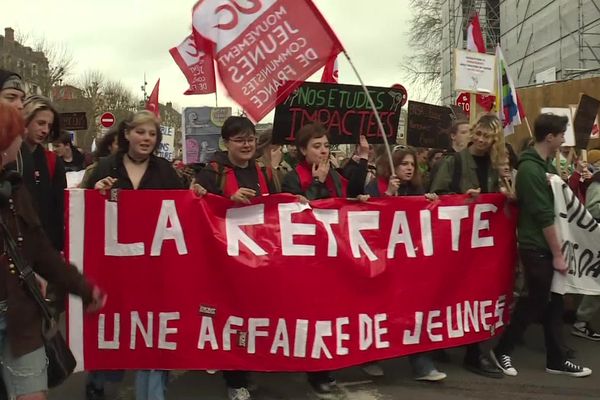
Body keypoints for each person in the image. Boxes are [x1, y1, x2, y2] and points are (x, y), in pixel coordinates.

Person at [0, 102, 106, 400]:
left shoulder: (13, 188)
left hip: (20, 316)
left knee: (33, 395)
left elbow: (40, 249)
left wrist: (83, 288)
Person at [85, 110, 184, 400]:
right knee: (112, 324)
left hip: (154, 267)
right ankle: (99, 381)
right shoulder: (104, 166)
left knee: (152, 332)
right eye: (141, 132)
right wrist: (96, 193)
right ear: (126, 134)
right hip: (114, 266)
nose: (147, 139)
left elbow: (182, 211)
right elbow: (83, 209)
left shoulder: (165, 171)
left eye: (152, 134)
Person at [491, 113, 592, 377]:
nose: (562, 140)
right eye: (560, 136)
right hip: (536, 245)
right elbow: (544, 215)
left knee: (555, 302)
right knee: (535, 301)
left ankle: (556, 359)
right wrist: (558, 254)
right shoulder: (531, 170)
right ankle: (502, 350)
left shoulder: (544, 166)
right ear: (550, 137)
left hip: (547, 245)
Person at [281, 122, 369, 398]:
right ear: (302, 150)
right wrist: (317, 182)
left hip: (335, 255)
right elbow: (300, 211)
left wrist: (363, 158)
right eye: (316, 146)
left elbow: (349, 192)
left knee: (333, 311)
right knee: (313, 313)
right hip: (308, 258)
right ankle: (316, 370)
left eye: (326, 146)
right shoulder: (293, 177)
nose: (322, 152)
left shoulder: (334, 173)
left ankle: (327, 363)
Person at [193, 116, 278, 400]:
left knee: (255, 316)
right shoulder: (212, 172)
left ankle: (246, 367)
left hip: (259, 260)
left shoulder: (265, 171)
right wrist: (228, 200)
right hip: (224, 262)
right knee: (232, 318)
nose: (246, 144)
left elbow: (279, 205)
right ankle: (235, 379)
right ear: (226, 143)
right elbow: (198, 208)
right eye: (239, 139)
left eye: (250, 139)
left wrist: (298, 201)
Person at [430, 114, 506, 378]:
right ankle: (438, 342)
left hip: (483, 243)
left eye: (488, 137)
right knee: (450, 293)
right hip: (457, 242)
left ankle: (475, 353)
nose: (483, 141)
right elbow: (435, 198)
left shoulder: (497, 166)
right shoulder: (454, 163)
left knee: (479, 294)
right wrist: (463, 199)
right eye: (480, 135)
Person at [365, 148, 446, 382]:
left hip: (409, 263)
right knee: (378, 310)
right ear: (392, 167)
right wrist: (388, 196)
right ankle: (369, 357)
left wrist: (430, 202)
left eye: (412, 164)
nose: (409, 168)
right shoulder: (374, 187)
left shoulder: (417, 189)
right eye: (403, 164)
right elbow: (368, 218)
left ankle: (422, 364)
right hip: (382, 262)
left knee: (415, 310)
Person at [16, 95, 65, 252]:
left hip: (44, 247)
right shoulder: (8, 157)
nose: (45, 130)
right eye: (40, 123)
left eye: (49, 126)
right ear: (26, 120)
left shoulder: (52, 161)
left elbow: (59, 210)